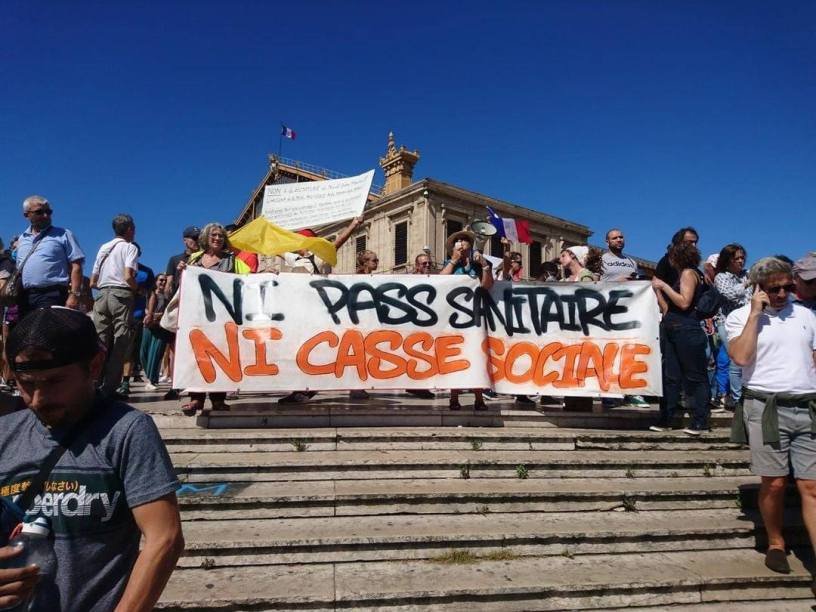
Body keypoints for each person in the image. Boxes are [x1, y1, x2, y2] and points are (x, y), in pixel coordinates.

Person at [0, 307, 183, 610]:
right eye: (27, 384)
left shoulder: (126, 431)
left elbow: (165, 538)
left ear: (94, 366)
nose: (38, 399)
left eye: (55, 382)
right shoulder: (5, 434)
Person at [726, 257, 816, 576]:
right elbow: (740, 356)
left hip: (807, 405)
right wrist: (755, 314)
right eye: (773, 289)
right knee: (775, 483)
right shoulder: (740, 317)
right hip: (766, 407)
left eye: (787, 287)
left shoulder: (806, 315)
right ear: (758, 288)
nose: (781, 294)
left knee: (811, 486)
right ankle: (776, 542)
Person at [181, 223, 251, 415]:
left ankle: (218, 399)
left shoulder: (232, 260)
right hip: (197, 315)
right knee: (197, 355)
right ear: (206, 237)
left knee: (222, 355)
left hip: (222, 316)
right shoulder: (194, 259)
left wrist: (268, 274)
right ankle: (196, 398)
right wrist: (182, 271)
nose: (218, 238)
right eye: (214, 235)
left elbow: (249, 278)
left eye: (221, 236)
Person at [650, 241, 710, 435]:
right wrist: (657, 291)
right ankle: (666, 418)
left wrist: (664, 286)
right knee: (670, 376)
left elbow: (684, 303)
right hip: (673, 328)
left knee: (695, 376)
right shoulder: (687, 274)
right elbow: (668, 309)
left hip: (686, 330)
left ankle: (700, 420)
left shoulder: (688, 274)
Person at [440, 230, 493, 411]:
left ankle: (479, 398)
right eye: (458, 240)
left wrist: (484, 265)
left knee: (476, 357)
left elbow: (487, 286)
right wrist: (454, 260)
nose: (461, 242)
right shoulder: (449, 263)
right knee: (455, 357)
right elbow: (439, 281)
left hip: (474, 318)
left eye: (464, 240)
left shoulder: (478, 265)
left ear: (471, 245)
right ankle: (454, 397)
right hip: (453, 318)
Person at [90, 214, 140, 400]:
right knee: (120, 342)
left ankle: (93, 383)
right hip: (121, 294)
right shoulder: (130, 247)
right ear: (130, 230)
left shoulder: (104, 247)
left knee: (100, 342)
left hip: (102, 294)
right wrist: (137, 289)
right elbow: (128, 275)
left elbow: (93, 281)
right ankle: (110, 388)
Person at [15, 195, 85, 317]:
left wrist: (74, 295)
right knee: (27, 329)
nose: (45, 215)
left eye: (48, 212)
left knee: (47, 328)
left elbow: (76, 266)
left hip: (53, 294)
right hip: (26, 297)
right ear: (26, 215)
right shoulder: (22, 239)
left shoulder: (64, 234)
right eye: (39, 212)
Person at [162, 226, 200, 401]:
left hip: (198, 306)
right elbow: (169, 285)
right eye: (193, 238)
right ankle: (175, 385)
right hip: (181, 306)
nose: (196, 241)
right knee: (174, 346)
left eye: (198, 237)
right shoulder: (175, 259)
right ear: (185, 240)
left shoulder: (204, 257)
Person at [714, 244, 751, 410]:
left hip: (747, 321)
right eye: (737, 258)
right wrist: (746, 284)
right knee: (736, 359)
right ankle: (737, 398)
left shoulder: (747, 274)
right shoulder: (721, 277)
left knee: (748, 360)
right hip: (727, 322)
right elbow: (730, 294)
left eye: (743, 257)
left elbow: (749, 298)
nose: (741, 261)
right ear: (728, 260)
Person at [118, 250, 156, 396]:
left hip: (136, 315)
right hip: (117, 312)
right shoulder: (115, 267)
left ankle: (125, 382)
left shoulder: (146, 272)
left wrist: (150, 313)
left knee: (130, 350)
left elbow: (151, 293)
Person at [140, 274, 171, 391]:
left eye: (165, 280)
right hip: (148, 326)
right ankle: (150, 376)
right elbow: (145, 309)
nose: (163, 282)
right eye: (161, 280)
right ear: (156, 281)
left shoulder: (168, 297)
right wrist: (151, 315)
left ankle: (152, 380)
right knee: (143, 353)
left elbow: (167, 312)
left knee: (156, 353)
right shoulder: (150, 293)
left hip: (160, 327)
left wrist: (156, 315)